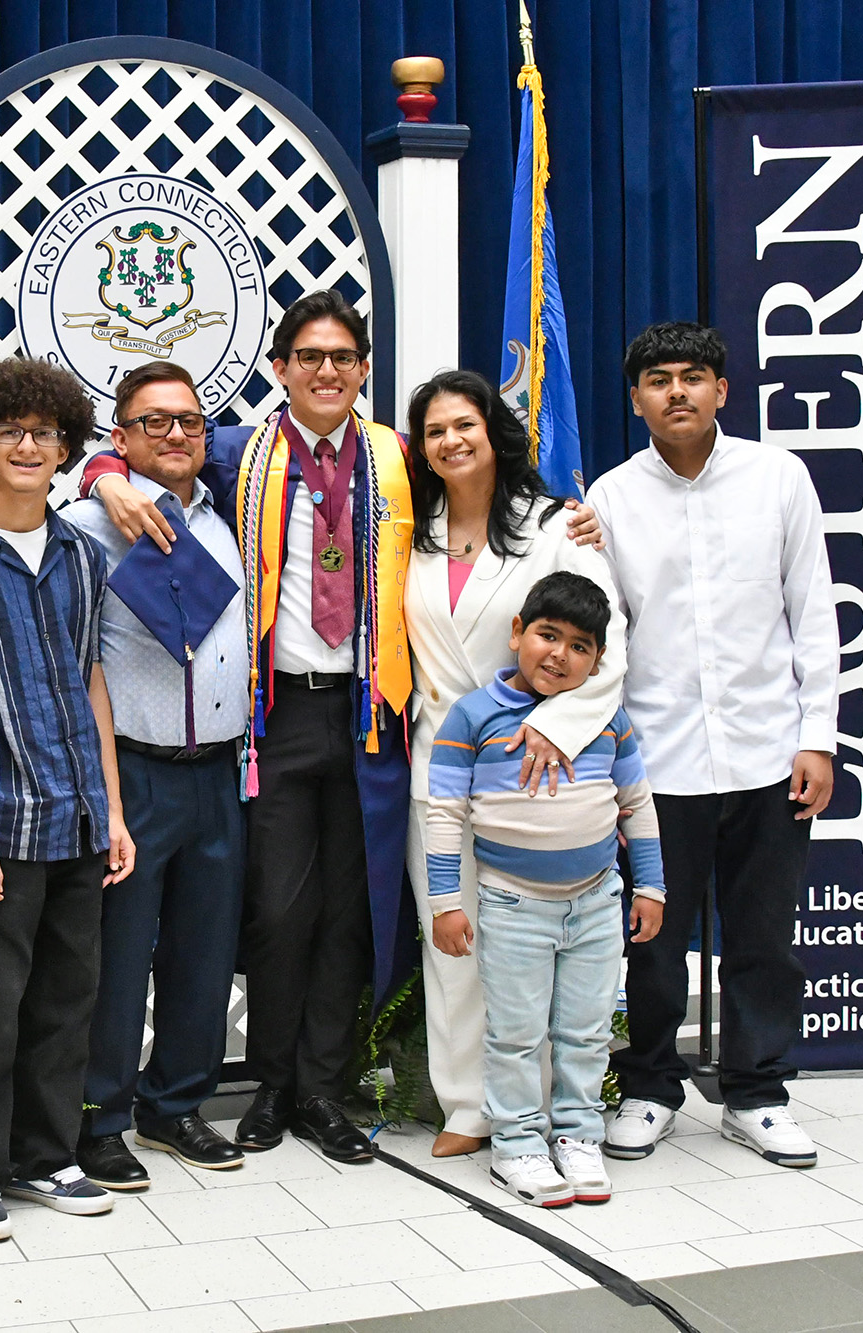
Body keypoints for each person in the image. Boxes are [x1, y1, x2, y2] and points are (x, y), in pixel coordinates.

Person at [81, 290, 603, 1163]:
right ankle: (274, 1084)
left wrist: (572, 516)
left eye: (344, 358)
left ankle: (326, 1087)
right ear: (280, 368)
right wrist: (102, 478)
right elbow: (134, 454)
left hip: (375, 716)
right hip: (274, 713)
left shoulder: (399, 458)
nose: (327, 371)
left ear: (364, 371)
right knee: (278, 910)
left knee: (353, 912)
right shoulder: (238, 455)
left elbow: (486, 489)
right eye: (309, 357)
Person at [589, 322, 838, 1168]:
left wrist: (819, 738)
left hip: (770, 754)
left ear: (722, 389)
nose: (678, 392)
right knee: (653, 942)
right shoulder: (613, 498)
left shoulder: (779, 479)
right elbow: (607, 636)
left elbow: (813, 612)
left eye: (694, 376)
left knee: (764, 935)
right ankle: (651, 1085)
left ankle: (758, 1091)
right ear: (637, 400)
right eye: (658, 380)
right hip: (660, 763)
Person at [0, 356, 138, 1241]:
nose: (28, 445)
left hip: (79, 814)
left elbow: (92, 685)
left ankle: (49, 1153)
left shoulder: (84, 554)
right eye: (10, 431)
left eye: (44, 433)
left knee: (64, 998)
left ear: (65, 449)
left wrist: (113, 810)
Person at [400, 370, 627, 1159]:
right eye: (433, 431)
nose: (451, 441)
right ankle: (468, 1102)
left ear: (495, 430)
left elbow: (610, 643)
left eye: (465, 424)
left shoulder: (557, 525)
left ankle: (552, 1112)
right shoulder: (408, 526)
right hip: (443, 753)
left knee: (540, 940)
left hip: (536, 757)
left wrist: (560, 726)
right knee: (450, 925)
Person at [63, 361, 248, 1191]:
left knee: (204, 954)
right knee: (118, 954)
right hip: (131, 770)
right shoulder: (83, 528)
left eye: (190, 421)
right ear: (120, 436)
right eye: (154, 421)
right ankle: (100, 1117)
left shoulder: (234, 512)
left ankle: (174, 1104)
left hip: (220, 770)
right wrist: (102, 484)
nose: (176, 434)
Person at [425, 572, 665, 1206]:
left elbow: (637, 804)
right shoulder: (471, 716)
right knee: (515, 1033)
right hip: (511, 904)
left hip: (596, 902)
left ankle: (578, 1135)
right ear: (516, 634)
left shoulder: (604, 720)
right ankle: (518, 1146)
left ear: (599, 660)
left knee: (586, 1031)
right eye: (546, 635)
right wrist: (446, 904)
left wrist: (652, 888)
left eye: (580, 646)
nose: (559, 655)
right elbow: (444, 814)